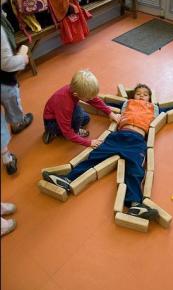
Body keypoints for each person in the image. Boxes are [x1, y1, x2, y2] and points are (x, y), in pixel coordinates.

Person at [42, 83, 161, 221]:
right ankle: (68, 179)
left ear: (150, 98)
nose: (141, 96)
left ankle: (135, 205)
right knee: (95, 156)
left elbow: (167, 110)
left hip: (137, 141)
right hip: (119, 135)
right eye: (138, 93)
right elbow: (107, 103)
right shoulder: (128, 103)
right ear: (133, 96)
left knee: (135, 170)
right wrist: (110, 111)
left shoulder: (154, 108)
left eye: (145, 94)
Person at [42, 69, 120, 147]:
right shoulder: (65, 104)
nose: (91, 99)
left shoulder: (75, 90)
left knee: (86, 118)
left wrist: (110, 113)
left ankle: (72, 129)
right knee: (79, 116)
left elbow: (94, 100)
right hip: (52, 122)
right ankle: (52, 131)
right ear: (76, 94)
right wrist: (89, 143)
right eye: (88, 98)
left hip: (63, 113)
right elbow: (67, 132)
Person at [1, 0, 34, 135]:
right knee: (11, 98)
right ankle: (17, 123)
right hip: (4, 79)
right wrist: (23, 58)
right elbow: (6, 63)